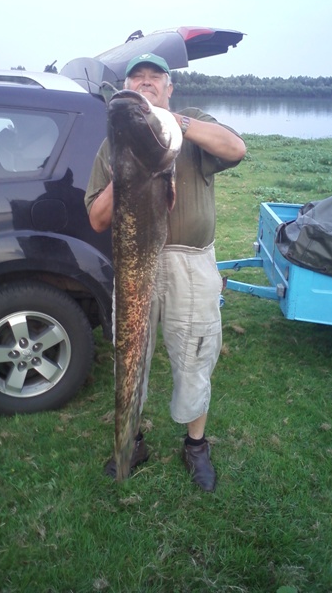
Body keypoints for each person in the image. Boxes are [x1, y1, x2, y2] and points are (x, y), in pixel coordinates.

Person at [85, 53, 246, 492]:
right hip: (134, 263)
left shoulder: (190, 125)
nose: (145, 82)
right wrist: (127, 165)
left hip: (188, 262)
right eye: (136, 78)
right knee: (130, 352)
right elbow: (97, 218)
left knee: (195, 352)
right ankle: (131, 442)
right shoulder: (113, 142)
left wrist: (175, 124)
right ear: (126, 88)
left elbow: (236, 149)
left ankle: (195, 445)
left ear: (169, 88)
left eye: (154, 77)